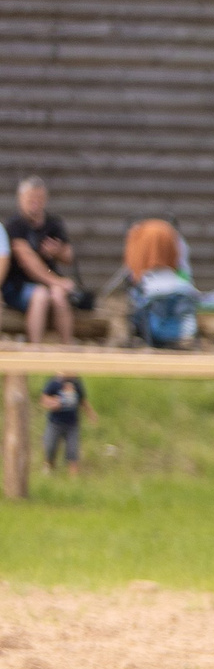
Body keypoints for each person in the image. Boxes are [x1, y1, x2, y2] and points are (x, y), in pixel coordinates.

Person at [6, 176, 79, 348]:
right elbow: (28, 262)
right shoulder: (15, 226)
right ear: (20, 200)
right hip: (19, 285)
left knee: (58, 295)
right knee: (41, 295)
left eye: (39, 199)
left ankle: (67, 358)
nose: (35, 204)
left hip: (48, 284)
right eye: (31, 199)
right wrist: (57, 281)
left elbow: (69, 256)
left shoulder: (53, 223)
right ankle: (36, 352)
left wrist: (58, 251)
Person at [124, 218, 197, 349]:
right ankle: (179, 336)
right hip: (171, 292)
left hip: (165, 293)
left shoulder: (176, 244)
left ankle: (174, 336)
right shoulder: (176, 243)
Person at [40, 372, 93, 474]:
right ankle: (49, 465)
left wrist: (90, 413)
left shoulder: (77, 382)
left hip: (72, 424)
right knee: (50, 446)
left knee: (73, 450)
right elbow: (43, 399)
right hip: (55, 423)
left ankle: (73, 477)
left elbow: (82, 400)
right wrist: (52, 403)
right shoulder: (54, 382)